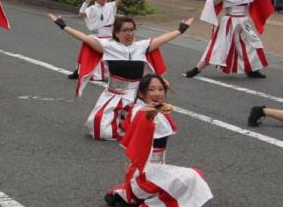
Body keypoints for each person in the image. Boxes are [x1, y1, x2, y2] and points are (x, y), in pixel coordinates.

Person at [49, 13, 192, 141]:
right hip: (113, 93)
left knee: (148, 127)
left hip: (137, 96)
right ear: (117, 33)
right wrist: (63, 26)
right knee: (100, 128)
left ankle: (135, 126)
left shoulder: (141, 46)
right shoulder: (107, 46)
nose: (130, 33)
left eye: (132, 29)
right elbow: (85, 38)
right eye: (125, 30)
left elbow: (162, 39)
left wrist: (180, 30)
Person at [101, 75, 213, 207]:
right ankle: (149, 205)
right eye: (151, 90)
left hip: (156, 171)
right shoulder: (140, 111)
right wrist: (151, 114)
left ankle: (127, 196)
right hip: (143, 174)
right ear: (141, 93)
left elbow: (157, 106)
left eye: (161, 89)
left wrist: (159, 92)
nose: (158, 93)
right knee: (191, 176)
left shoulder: (159, 110)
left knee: (195, 174)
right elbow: (145, 119)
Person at [185, 0, 280, 80]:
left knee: (253, 44)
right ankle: (197, 69)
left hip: (243, 22)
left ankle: (252, 70)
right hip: (229, 22)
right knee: (218, 47)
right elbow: (213, 2)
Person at [67, 0, 137, 80]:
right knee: (86, 45)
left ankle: (117, 73)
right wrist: (85, 3)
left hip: (110, 36)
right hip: (96, 35)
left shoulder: (111, 6)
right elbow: (80, 15)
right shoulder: (91, 9)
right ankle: (79, 70)